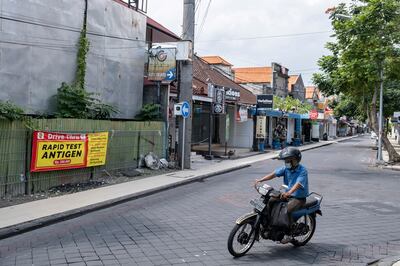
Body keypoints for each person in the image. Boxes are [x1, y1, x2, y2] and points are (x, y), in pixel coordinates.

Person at [254, 147, 309, 243]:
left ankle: (288, 233)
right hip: (286, 195)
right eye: (286, 160)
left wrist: (289, 192)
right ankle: (270, 225)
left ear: (295, 160)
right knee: (270, 201)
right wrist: (261, 180)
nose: (286, 162)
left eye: (289, 160)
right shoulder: (286, 169)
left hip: (298, 198)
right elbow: (274, 174)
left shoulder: (302, 171)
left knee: (287, 210)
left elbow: (298, 184)